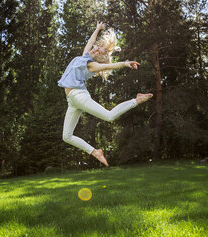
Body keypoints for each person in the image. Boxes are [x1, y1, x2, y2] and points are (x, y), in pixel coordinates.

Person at [58, 21, 153, 167]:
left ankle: (136, 100)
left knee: (109, 116)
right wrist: (97, 29)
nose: (95, 50)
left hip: (78, 96)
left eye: (98, 52)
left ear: (96, 59)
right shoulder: (84, 56)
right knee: (67, 136)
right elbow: (90, 41)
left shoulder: (91, 64)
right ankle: (95, 152)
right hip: (72, 100)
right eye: (97, 48)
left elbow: (107, 65)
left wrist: (124, 63)